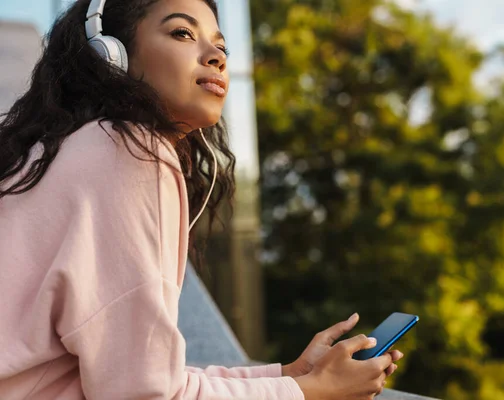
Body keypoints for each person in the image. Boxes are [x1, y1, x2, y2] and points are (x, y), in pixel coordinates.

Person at [0, 0, 403, 399]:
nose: (215, 58)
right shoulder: (129, 150)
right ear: (111, 55)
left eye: (222, 47)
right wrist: (310, 392)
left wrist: (290, 374)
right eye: (183, 33)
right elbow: (145, 394)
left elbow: (145, 374)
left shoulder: (65, 149)